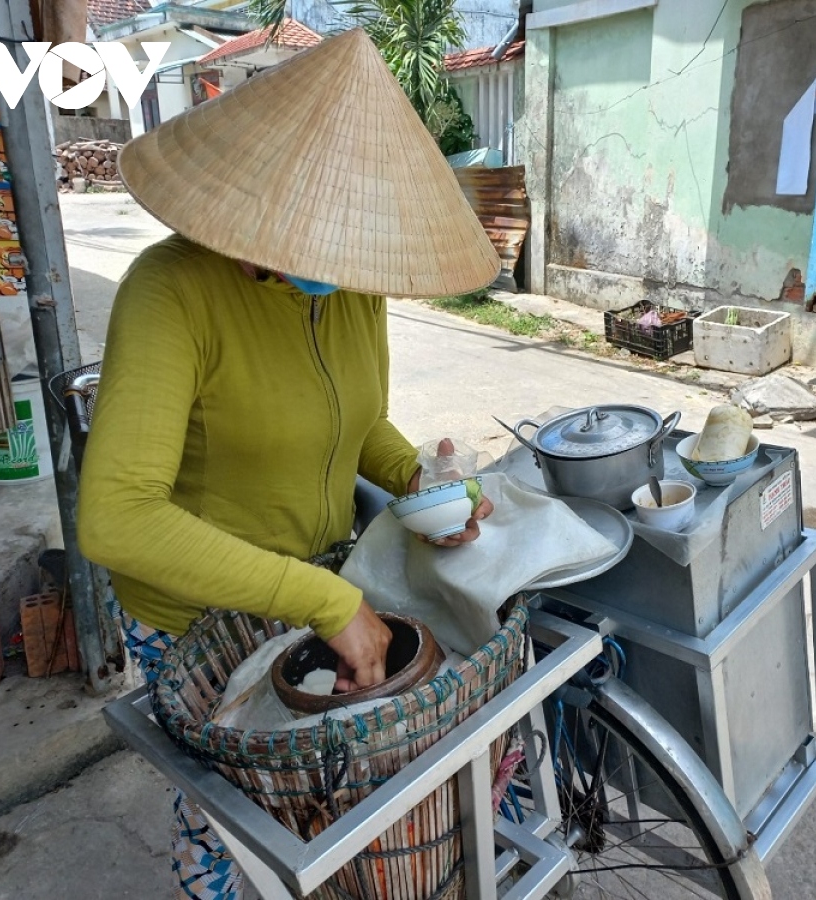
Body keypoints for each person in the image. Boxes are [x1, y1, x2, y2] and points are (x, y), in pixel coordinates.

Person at [77, 29, 500, 900]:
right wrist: (328, 600)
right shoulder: (171, 291)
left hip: (312, 589)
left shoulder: (354, 287)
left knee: (323, 810)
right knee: (232, 821)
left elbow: (360, 426)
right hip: (197, 620)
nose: (326, 267)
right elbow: (117, 516)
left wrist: (423, 483)